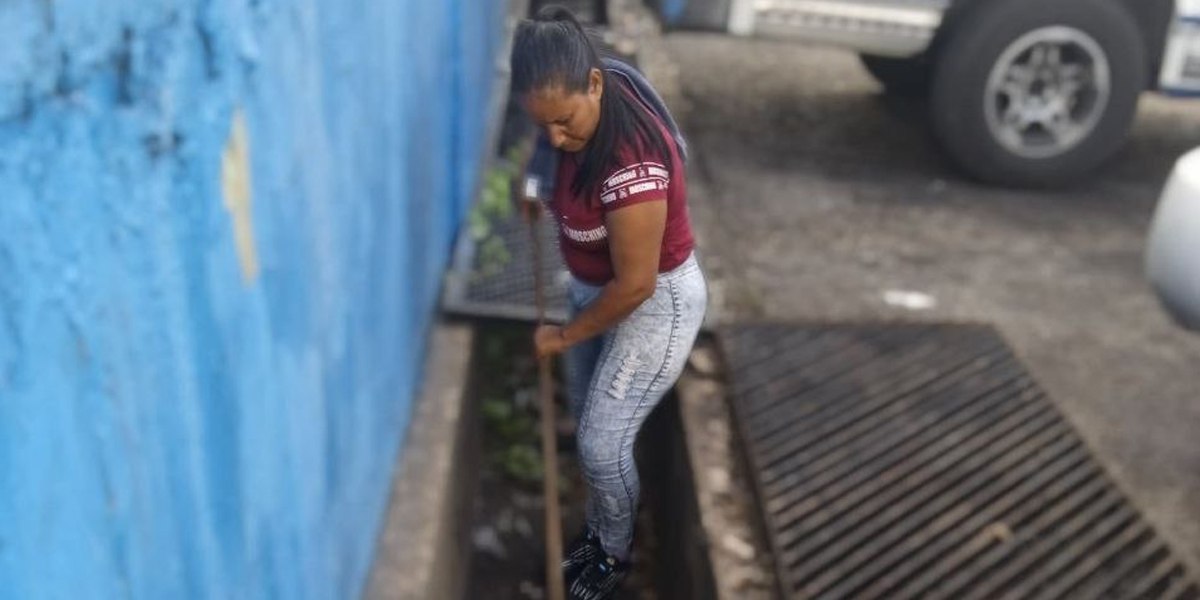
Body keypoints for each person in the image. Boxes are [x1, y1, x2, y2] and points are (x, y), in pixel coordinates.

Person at [511, 5, 708, 598]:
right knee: (588, 414)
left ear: (594, 84)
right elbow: (546, 148)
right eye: (542, 122)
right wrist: (534, 183)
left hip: (654, 302)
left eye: (564, 122)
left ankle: (606, 563)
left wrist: (563, 335)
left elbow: (636, 285)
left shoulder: (633, 166)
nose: (555, 137)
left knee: (601, 444)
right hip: (595, 286)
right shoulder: (584, 91)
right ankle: (597, 518)